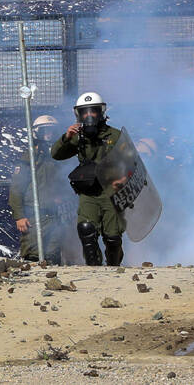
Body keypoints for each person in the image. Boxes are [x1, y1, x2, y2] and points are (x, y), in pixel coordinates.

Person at [50, 92, 126, 266]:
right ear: (79, 114)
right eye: (85, 112)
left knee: (113, 237)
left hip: (111, 192)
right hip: (89, 193)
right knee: (86, 230)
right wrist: (67, 137)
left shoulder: (114, 136)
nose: (89, 115)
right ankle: (95, 270)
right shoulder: (78, 136)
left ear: (101, 112)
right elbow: (56, 155)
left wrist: (122, 179)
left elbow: (129, 161)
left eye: (93, 111)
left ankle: (114, 269)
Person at [8, 115, 81, 264]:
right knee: (33, 254)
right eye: (45, 131)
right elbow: (16, 189)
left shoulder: (60, 157)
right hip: (34, 216)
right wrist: (19, 216)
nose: (49, 134)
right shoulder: (29, 158)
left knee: (53, 254)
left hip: (55, 214)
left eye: (52, 131)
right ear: (36, 133)